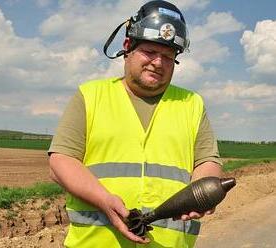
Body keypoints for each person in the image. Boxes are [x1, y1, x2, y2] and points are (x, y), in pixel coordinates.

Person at [48, 1, 223, 247]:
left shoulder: (192, 103)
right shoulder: (91, 96)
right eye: (150, 52)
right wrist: (103, 200)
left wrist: (201, 193)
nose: (158, 63)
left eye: (168, 56)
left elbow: (208, 161)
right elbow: (61, 161)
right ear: (128, 47)